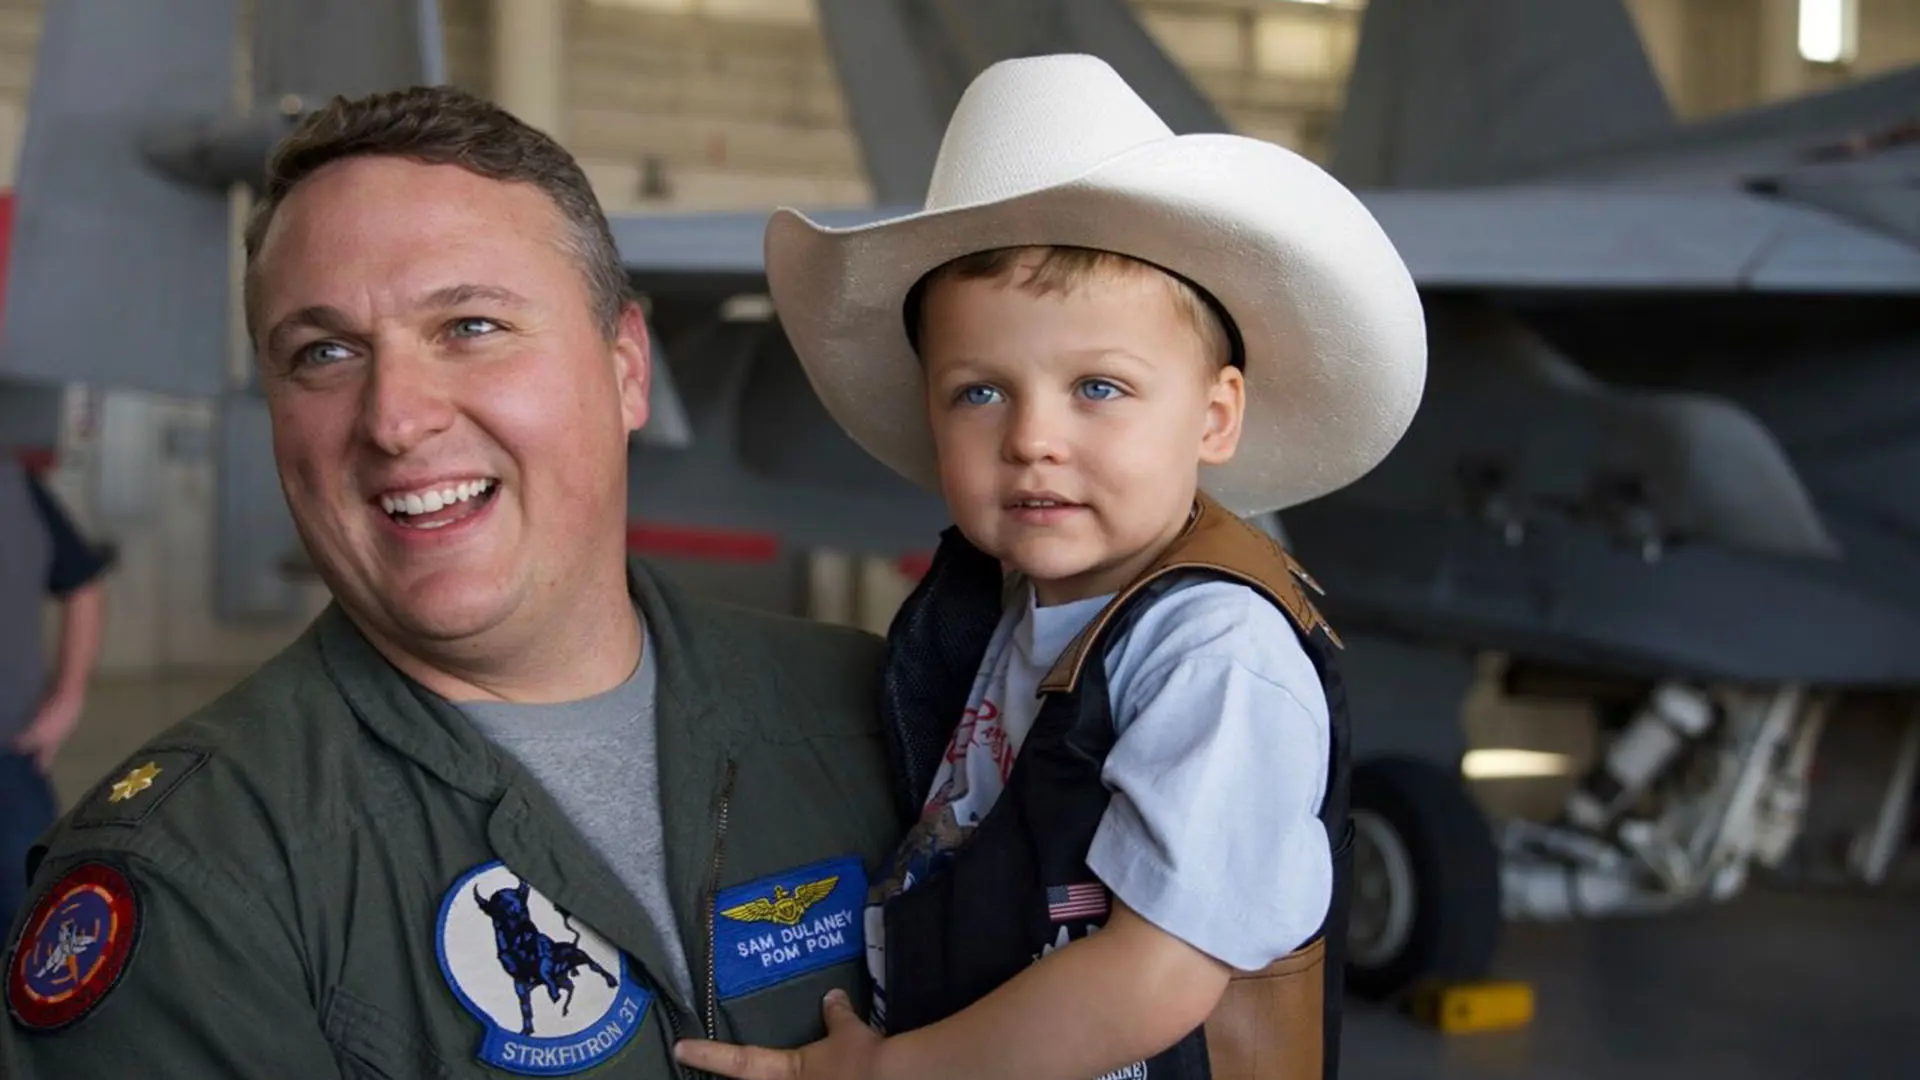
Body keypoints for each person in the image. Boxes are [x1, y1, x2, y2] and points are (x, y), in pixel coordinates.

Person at [3, 85, 906, 1079]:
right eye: (326, 353)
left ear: (626, 369)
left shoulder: (883, 719)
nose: (394, 418)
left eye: (471, 326)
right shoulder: (196, 875)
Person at [675, 54, 1426, 1080]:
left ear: (1214, 416)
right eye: (980, 392)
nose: (1033, 438)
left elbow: (1155, 976)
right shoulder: (1018, 618)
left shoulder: (1213, 654)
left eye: (1100, 388)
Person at [0, 453, 112, 928]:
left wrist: (67, 699)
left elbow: (81, 583)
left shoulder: (12, 487)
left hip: (8, 759)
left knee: (25, 928)